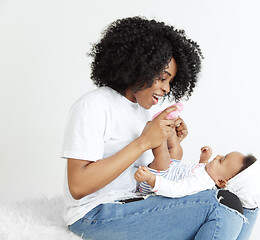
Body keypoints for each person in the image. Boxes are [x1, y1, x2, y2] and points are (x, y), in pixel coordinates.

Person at [61, 16, 248, 240]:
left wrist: (169, 145)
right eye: (162, 78)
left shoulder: (141, 112)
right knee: (221, 204)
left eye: (170, 81)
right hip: (94, 215)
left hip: (138, 202)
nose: (167, 88)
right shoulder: (93, 106)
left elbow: (148, 175)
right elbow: (78, 186)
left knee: (245, 200)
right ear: (137, 66)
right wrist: (143, 142)